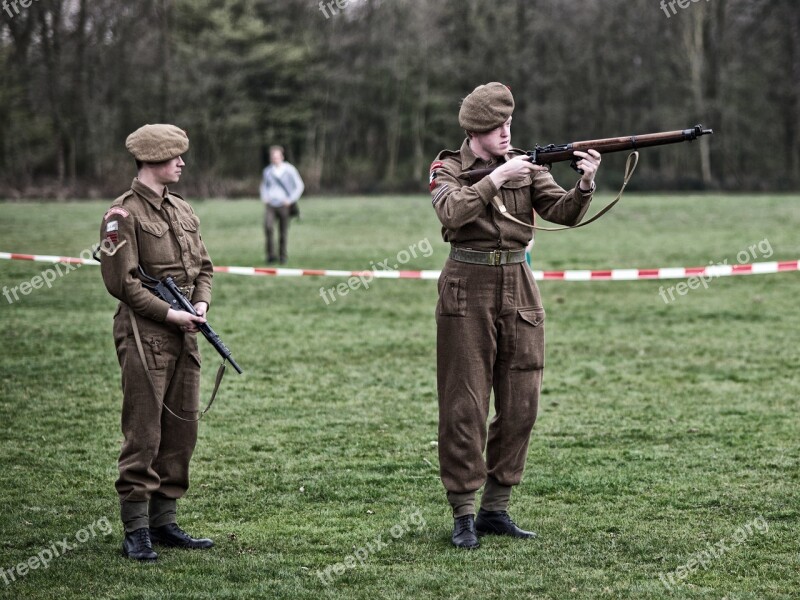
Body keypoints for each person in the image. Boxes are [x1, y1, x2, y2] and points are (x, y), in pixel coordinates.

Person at [429, 83, 601, 549]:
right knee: (464, 403)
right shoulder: (448, 167)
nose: (507, 133)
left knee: (522, 399)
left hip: (519, 284)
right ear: (475, 131)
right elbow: (451, 213)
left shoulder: (526, 163)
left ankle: (496, 508)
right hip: (467, 284)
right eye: (497, 127)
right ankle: (464, 510)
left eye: (509, 124)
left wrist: (584, 183)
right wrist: (496, 179)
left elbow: (562, 212)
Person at [99, 124, 216, 561]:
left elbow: (203, 267)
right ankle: (137, 529)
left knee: (182, 432)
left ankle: (165, 521)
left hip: (186, 333)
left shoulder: (183, 209)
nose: (182, 162)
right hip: (145, 336)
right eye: (174, 156)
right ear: (150, 160)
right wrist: (171, 314)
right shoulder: (122, 215)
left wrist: (199, 307)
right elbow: (122, 284)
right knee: (144, 432)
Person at [260, 145, 304, 264]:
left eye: (277, 156)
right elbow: (264, 186)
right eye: (273, 157)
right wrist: (265, 197)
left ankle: (282, 256)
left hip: (284, 205)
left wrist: (290, 199)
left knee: (283, 231)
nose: (275, 159)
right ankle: (270, 256)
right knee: (268, 227)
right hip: (271, 205)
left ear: (282, 156)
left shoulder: (290, 170)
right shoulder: (267, 171)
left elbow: (300, 185)